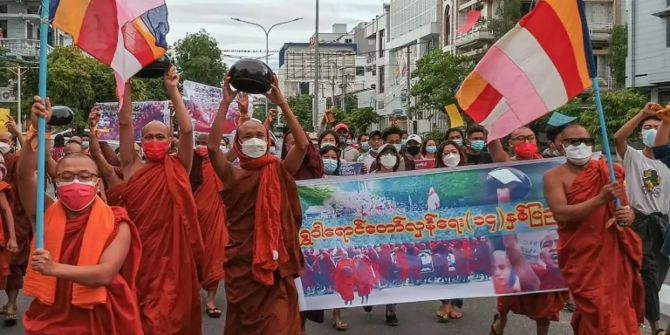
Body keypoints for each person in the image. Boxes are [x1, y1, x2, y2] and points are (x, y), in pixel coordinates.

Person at [18, 97, 143, 334]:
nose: (76, 181)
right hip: (52, 313)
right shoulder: (46, 211)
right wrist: (36, 131)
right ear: (56, 183)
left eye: (85, 176)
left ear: (97, 183)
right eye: (66, 177)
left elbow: (105, 274)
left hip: (100, 313)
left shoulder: (117, 221)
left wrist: (53, 268)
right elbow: (25, 176)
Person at [207, 74, 307, 335]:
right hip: (243, 264)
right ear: (238, 144)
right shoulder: (233, 174)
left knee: (278, 321)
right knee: (244, 324)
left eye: (259, 135)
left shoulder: (278, 170)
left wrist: (283, 103)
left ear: (268, 141)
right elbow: (213, 150)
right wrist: (224, 103)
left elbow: (303, 145)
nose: (254, 140)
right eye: (247, 136)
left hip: (275, 263)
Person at [115, 67, 205, 334]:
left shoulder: (179, 166)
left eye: (160, 137)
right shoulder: (132, 166)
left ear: (170, 141)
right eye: (149, 137)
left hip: (172, 257)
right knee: (139, 313)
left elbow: (187, 130)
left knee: (167, 315)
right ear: (141, 142)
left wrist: (172, 89)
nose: (154, 141)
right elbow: (125, 123)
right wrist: (125, 85)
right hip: (138, 253)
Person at [544, 124, 643, 334]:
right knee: (595, 308)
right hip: (582, 256)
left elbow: (626, 210)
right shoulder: (554, 177)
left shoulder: (610, 171)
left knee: (618, 309)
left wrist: (628, 216)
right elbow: (561, 213)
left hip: (613, 253)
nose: (581, 146)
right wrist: (601, 199)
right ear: (561, 146)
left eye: (587, 141)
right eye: (574, 142)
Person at [489, 126, 567, 335]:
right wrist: (491, 123)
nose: (525, 141)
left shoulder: (550, 165)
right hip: (515, 235)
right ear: (510, 143)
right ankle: (501, 320)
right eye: (520, 138)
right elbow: (494, 147)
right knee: (510, 289)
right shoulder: (508, 167)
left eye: (530, 137)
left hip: (547, 234)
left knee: (546, 291)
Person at [614, 103, 670, 334]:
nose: (651, 131)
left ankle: (641, 318)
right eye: (647, 127)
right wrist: (643, 114)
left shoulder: (667, 160)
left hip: (662, 224)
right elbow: (618, 137)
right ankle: (654, 326)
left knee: (656, 277)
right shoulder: (633, 157)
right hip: (638, 222)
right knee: (646, 273)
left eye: (657, 127)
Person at [190, 133, 228, 319]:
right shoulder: (187, 164)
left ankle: (211, 300)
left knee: (214, 258)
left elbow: (236, 151)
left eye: (206, 143)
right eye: (199, 142)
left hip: (214, 219)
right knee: (191, 261)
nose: (201, 146)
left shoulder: (218, 165)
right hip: (192, 222)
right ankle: (191, 296)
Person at [432, 140, 466, 322]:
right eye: (446, 153)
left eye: (454, 151)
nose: (450, 156)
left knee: (460, 264)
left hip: (464, 228)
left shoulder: (469, 176)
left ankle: (453, 304)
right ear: (440, 157)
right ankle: (444, 302)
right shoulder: (435, 177)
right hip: (442, 228)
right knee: (443, 265)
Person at [0, 116, 29, 327]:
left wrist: (19, 133)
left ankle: (11, 304)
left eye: (5, 140)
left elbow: (29, 160)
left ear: (11, 143)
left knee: (15, 265)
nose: (2, 143)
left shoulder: (16, 160)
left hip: (17, 217)